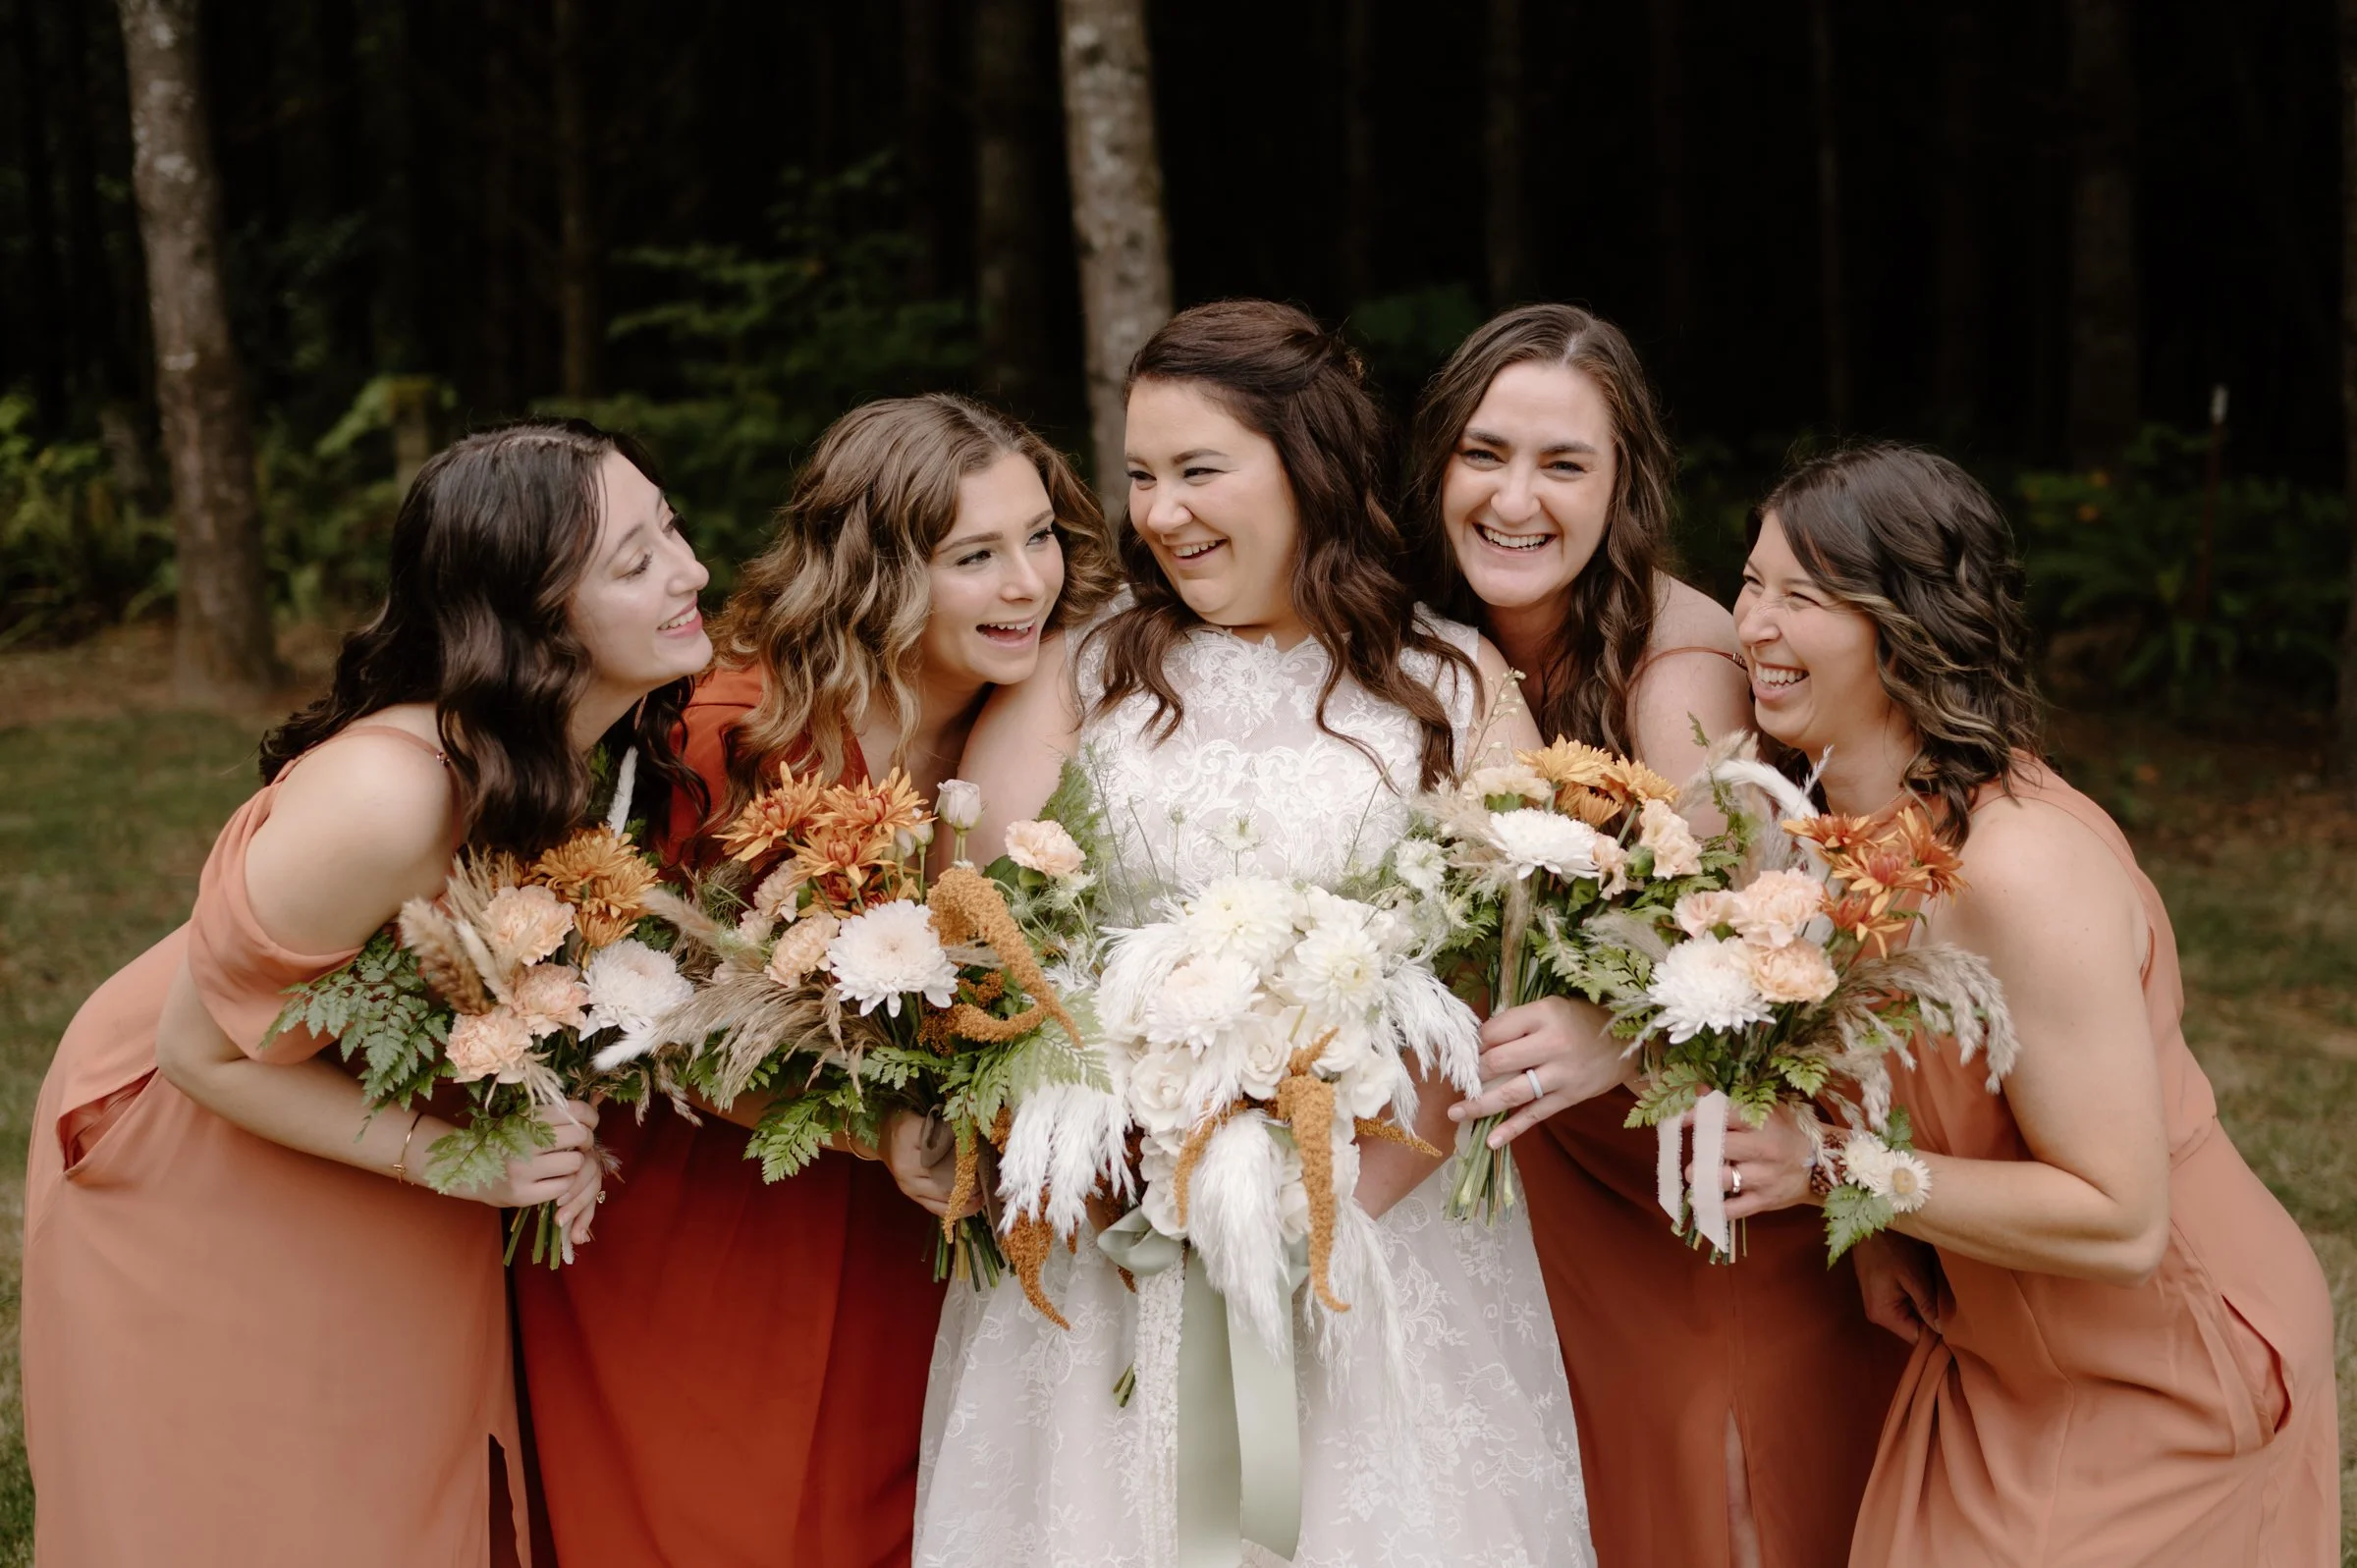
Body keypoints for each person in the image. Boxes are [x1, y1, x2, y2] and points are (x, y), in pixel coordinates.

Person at [918, 300, 1593, 1567]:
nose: (1161, 511)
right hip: (1119, 1243)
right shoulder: (1086, 674)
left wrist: (1317, 1226)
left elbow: (1490, 981)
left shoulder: (1452, 689)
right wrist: (1151, 1188)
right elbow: (986, 954)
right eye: (1140, 476)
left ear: (1306, 465)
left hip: (1388, 1239)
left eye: (1198, 470)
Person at [22, 418, 704, 1567]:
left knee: (405, 1473)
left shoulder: (591, 737)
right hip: (191, 1132)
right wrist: (470, 1162)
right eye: (635, 563)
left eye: (671, 526)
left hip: (360, 1109)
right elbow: (202, 1051)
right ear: (532, 621)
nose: (688, 569)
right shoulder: (388, 798)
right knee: (265, 1493)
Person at [514, 393, 1121, 1567]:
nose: (1027, 584)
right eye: (974, 556)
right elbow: (630, 1003)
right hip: (715, 1201)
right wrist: (870, 1126)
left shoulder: (1047, 721)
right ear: (879, 573)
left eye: (1040, 537)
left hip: (910, 1228)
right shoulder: (731, 737)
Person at [1721, 443, 2339, 1566]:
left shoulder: (2021, 871)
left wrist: (1830, 1177)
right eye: (1751, 582)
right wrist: (1881, 1240)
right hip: (1993, 1353)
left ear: (1903, 628)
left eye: (1801, 597)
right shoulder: (1840, 834)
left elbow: (2121, 1215)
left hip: (2162, 1370)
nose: (1752, 623)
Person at [1413, 304, 1907, 1567]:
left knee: (1717, 1478)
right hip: (1539, 1158)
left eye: (1564, 464)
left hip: (1685, 1161)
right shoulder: (1423, 640)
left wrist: (1613, 1028)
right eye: (1485, 453)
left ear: (1624, 483)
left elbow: (1768, 941)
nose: (1514, 498)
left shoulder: (1672, 671)